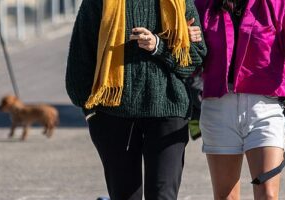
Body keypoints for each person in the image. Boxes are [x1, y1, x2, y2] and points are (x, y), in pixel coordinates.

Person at [65, 0, 206, 199]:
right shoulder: (98, 3)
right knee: (124, 195)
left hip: (169, 109)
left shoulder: (179, 2)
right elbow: (80, 57)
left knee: (163, 195)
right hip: (113, 114)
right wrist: (91, 111)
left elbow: (195, 57)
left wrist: (159, 46)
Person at [193, 0, 285, 199]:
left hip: (266, 107)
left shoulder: (280, 3)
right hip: (219, 106)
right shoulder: (202, 4)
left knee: (268, 194)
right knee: (225, 197)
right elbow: (192, 54)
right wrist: (189, 41)